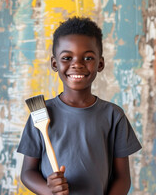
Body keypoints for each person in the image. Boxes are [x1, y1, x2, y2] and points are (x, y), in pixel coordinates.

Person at [17, 17, 142, 195]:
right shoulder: (41, 113)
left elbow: (123, 178)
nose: (77, 64)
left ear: (100, 64)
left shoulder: (113, 115)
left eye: (88, 57)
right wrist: (49, 190)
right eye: (67, 57)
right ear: (55, 64)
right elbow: (27, 173)